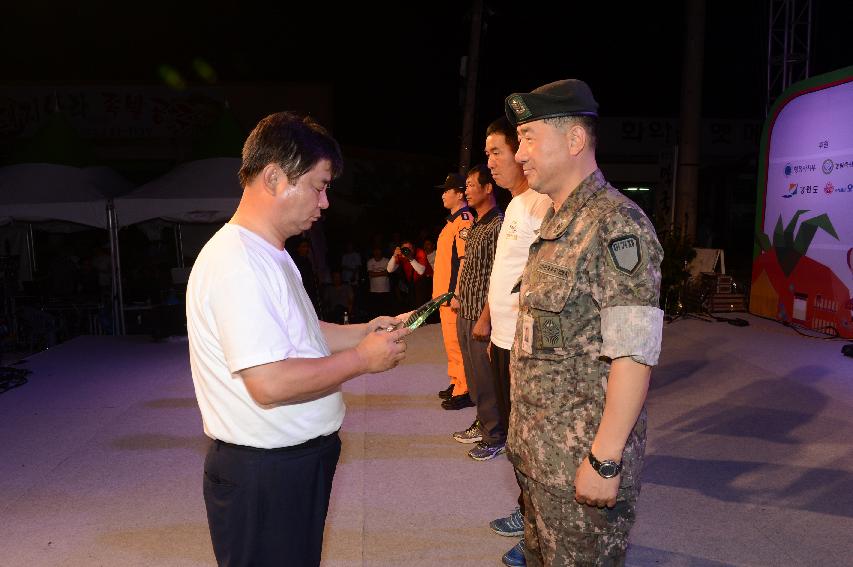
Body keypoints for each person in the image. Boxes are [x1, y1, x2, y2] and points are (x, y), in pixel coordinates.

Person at [186, 111, 411, 567]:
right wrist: (363, 361)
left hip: (289, 462)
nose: (325, 202)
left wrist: (364, 332)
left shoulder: (272, 254)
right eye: (318, 185)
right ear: (273, 177)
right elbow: (269, 381)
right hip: (265, 472)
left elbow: (304, 335)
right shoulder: (238, 262)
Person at [505, 80, 663, 566]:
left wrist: (605, 458)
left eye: (529, 137)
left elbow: (634, 352)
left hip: (580, 461)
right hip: (539, 455)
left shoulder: (618, 225)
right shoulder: (557, 221)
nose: (519, 153)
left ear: (574, 140)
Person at [483, 116, 552, 566]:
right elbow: (506, 273)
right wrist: (492, 324)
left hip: (524, 343)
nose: (491, 162)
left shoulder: (539, 203)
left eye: (497, 153)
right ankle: (526, 510)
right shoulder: (514, 205)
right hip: (505, 338)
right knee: (514, 435)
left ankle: (536, 527)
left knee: (529, 440)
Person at [450, 164, 504, 460]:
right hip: (465, 309)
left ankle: (495, 434)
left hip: (482, 315)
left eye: (471, 185)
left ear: (487, 188)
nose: (466, 190)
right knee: (473, 376)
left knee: (486, 377)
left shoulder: (498, 225)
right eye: (466, 186)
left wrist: (486, 317)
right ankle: (483, 422)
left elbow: (499, 276)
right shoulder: (478, 224)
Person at [431, 173, 474, 410]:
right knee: (451, 343)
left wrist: (457, 293)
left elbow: (464, 259)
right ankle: (456, 380)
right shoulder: (453, 221)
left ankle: (465, 389)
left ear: (459, 194)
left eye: (447, 190)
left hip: (452, 295)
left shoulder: (464, 219)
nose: (443, 194)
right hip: (444, 295)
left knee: (458, 343)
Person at [387, 238, 432, 311]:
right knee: (412, 305)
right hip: (413, 282)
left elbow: (421, 271)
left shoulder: (420, 252)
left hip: (426, 280)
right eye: (405, 248)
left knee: (422, 306)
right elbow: (389, 270)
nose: (407, 250)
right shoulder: (401, 255)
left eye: (409, 248)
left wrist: (410, 258)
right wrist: (394, 255)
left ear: (413, 248)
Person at [366, 246, 392, 319]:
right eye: (375, 251)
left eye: (379, 250)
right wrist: (383, 272)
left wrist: (375, 274)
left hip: (385, 290)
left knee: (385, 311)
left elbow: (388, 273)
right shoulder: (370, 261)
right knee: (375, 312)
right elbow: (371, 274)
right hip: (374, 290)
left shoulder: (386, 260)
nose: (377, 252)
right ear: (373, 252)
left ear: (381, 251)